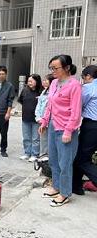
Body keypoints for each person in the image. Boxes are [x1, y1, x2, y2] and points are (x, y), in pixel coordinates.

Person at [39, 55, 82, 207]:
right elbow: (50, 105)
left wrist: (69, 131)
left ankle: (65, 193)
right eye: (51, 68)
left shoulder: (74, 85)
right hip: (52, 125)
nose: (53, 71)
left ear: (67, 68)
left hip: (66, 129)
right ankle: (56, 187)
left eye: (55, 68)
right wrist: (44, 121)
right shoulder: (54, 83)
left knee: (65, 163)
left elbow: (76, 112)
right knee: (53, 161)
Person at [72, 65, 97, 195]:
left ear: (88, 76)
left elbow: (79, 105)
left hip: (92, 126)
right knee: (80, 156)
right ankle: (76, 187)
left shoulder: (89, 87)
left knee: (82, 159)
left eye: (83, 77)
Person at [18, 74, 43, 162]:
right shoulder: (25, 90)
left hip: (36, 119)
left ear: (37, 81)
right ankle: (27, 153)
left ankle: (34, 154)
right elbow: (20, 100)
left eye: (31, 81)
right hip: (25, 118)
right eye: (28, 81)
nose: (29, 83)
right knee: (26, 137)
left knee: (35, 138)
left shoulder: (41, 91)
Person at [35, 74, 55, 156]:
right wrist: (38, 116)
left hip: (49, 120)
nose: (44, 82)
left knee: (50, 140)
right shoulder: (44, 91)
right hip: (41, 119)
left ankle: (48, 157)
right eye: (43, 80)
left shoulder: (53, 92)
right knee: (43, 139)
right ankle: (42, 156)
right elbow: (39, 105)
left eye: (46, 80)